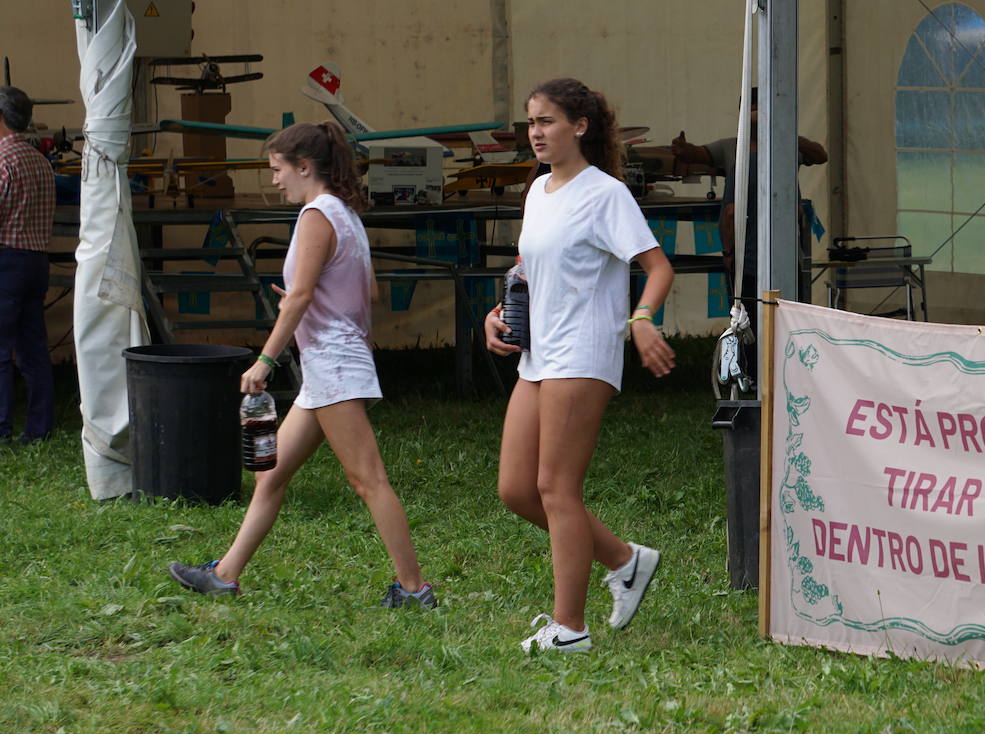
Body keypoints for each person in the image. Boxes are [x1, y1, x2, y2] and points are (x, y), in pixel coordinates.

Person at [169, 121, 436, 609]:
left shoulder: (317, 215)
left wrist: (265, 360)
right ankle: (226, 574)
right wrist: (304, 302)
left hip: (332, 363)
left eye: (277, 170)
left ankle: (415, 589)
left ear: (304, 167)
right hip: (331, 363)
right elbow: (366, 293)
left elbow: (304, 296)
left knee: (368, 479)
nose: (274, 180)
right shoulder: (346, 215)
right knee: (271, 476)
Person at [485, 78, 676, 653]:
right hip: (538, 353)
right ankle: (624, 559)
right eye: (531, 123)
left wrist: (641, 319)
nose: (536, 133)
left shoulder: (605, 194)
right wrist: (498, 311)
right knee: (517, 489)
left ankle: (569, 628)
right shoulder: (538, 190)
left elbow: (659, 267)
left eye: (546, 122)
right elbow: (528, 268)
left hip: (583, 352)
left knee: (555, 487)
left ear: (580, 127)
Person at [671, 91, 828, 381]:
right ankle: (763, 372)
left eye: (758, 111)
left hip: (762, 253)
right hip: (758, 252)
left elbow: (821, 155)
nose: (753, 117)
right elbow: (699, 154)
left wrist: (788, 134)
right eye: (749, 110)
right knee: (758, 314)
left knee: (757, 314)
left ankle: (757, 373)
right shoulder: (733, 148)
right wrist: (683, 150)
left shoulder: (785, 146)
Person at [0, 86, 56, 445]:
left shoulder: (3, 160)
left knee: (1, 350)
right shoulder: (40, 160)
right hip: (36, 260)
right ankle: (39, 427)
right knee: (34, 348)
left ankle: (1, 427)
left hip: (6, 259)